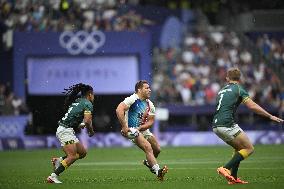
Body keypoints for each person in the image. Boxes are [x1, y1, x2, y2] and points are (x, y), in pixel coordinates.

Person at [212, 68, 283, 184]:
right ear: (240, 78)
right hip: (227, 124)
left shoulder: (221, 90)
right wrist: (270, 116)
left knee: (239, 148)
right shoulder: (239, 89)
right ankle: (225, 168)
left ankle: (233, 179)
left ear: (227, 78)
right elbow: (252, 106)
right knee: (249, 148)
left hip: (216, 125)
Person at [116, 80, 168, 181]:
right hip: (131, 130)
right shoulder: (132, 99)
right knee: (148, 147)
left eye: (149, 88)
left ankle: (149, 163)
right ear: (139, 90)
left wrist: (140, 128)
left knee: (157, 149)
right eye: (147, 88)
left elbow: (151, 121)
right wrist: (124, 126)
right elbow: (119, 109)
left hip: (141, 130)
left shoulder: (150, 104)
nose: (150, 90)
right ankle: (158, 172)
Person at [47, 83, 95, 184]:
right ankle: (53, 176)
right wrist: (90, 131)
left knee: (82, 153)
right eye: (93, 95)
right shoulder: (88, 103)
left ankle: (58, 161)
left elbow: (74, 117)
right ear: (90, 94)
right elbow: (87, 121)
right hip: (65, 131)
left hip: (66, 130)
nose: (93, 97)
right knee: (72, 156)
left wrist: (80, 124)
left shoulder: (78, 101)